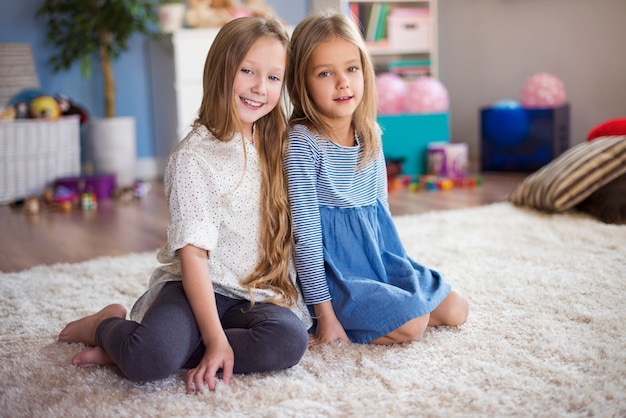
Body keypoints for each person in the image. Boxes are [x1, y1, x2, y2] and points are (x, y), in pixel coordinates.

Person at [58, 16, 311, 394]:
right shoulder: (192, 158)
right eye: (248, 71)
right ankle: (104, 325)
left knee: (290, 340)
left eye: (274, 78)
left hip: (252, 295)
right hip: (195, 287)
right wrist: (214, 340)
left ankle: (160, 346)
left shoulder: (279, 142)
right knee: (149, 361)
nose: (260, 88)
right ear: (220, 70)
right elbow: (194, 258)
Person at [283, 13, 469, 347]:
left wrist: (399, 275)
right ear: (301, 83)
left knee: (457, 309)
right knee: (413, 324)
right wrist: (324, 315)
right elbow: (306, 239)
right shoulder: (302, 142)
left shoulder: (370, 135)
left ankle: (389, 309)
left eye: (352, 69)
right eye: (325, 73)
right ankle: (340, 319)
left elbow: (381, 217)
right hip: (335, 276)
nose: (343, 82)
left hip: (377, 259)